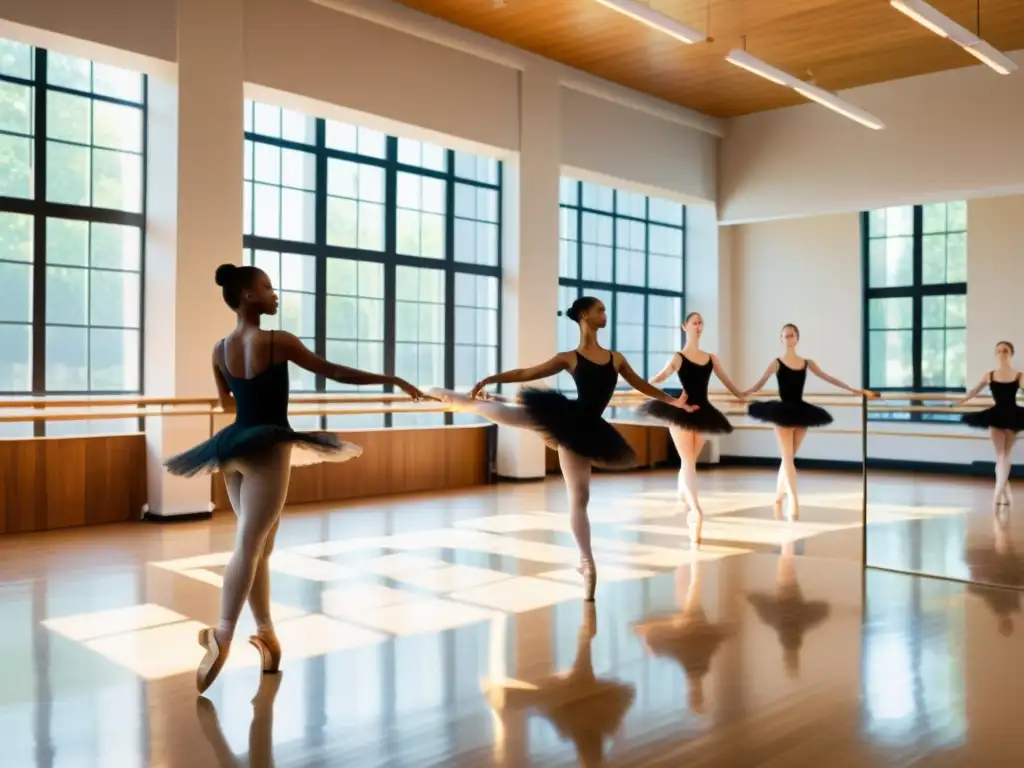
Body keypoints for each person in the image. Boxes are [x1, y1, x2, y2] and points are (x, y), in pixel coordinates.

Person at [166, 263, 424, 693]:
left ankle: (266, 634)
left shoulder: (218, 349)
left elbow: (225, 401)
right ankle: (223, 633)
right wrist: (391, 380)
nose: (274, 293)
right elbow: (335, 372)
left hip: (234, 445)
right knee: (250, 543)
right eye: (267, 287)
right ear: (248, 296)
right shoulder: (277, 341)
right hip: (269, 446)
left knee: (260, 545)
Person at [427, 296, 692, 601]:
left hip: (573, 425)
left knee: (507, 418)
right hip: (582, 425)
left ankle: (445, 395)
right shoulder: (595, 358)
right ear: (584, 315)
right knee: (578, 499)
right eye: (600, 310)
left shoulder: (588, 358)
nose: (605, 314)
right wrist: (492, 377)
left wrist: (673, 400)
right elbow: (528, 373)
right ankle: (586, 562)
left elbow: (640, 385)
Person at [743, 323, 873, 518]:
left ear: (797, 338)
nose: (788, 338)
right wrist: (740, 394)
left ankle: (779, 494)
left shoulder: (807, 362)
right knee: (787, 458)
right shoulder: (776, 362)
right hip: (782, 412)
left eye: (792, 335)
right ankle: (794, 499)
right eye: (785, 336)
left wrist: (854, 390)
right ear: (781, 339)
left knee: (789, 458)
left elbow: (828, 378)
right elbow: (758, 384)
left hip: (801, 411)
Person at [640, 311, 744, 543]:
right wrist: (642, 385)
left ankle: (683, 496)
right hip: (682, 410)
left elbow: (726, 380)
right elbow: (662, 375)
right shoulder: (679, 356)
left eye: (700, 322)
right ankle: (696, 509)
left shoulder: (711, 358)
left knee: (690, 461)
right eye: (694, 322)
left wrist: (741, 394)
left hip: (703, 411)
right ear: (684, 326)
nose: (698, 325)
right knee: (688, 461)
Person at [956, 341, 1024, 505]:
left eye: (1005, 351)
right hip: (996, 415)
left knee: (1004, 456)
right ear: (995, 354)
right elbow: (975, 390)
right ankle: (1001, 493)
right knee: (1000, 456)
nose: (1002, 354)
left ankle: (1000, 492)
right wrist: (962, 401)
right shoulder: (990, 374)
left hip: (1013, 415)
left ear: (1011, 354)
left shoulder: (1019, 375)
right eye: (999, 351)